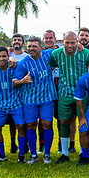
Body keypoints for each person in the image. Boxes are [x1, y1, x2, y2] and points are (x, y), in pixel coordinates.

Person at [49, 32, 89, 163]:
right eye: (67, 42)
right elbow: (50, 66)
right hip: (64, 92)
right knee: (64, 121)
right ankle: (64, 154)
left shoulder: (86, 54)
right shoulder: (56, 54)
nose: (70, 45)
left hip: (82, 93)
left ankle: (82, 152)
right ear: (62, 41)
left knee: (83, 122)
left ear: (77, 42)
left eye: (73, 42)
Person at [14, 36, 57, 164]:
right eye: (29, 47)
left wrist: (79, 46)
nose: (31, 49)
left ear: (41, 47)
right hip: (30, 99)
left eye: (34, 46)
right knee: (31, 125)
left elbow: (64, 50)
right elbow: (14, 82)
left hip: (47, 97)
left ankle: (47, 154)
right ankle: (33, 155)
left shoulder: (48, 55)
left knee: (47, 124)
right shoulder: (23, 63)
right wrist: (22, 81)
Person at [0, 46, 27, 162]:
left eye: (4, 56)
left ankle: (21, 154)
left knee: (20, 126)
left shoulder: (16, 66)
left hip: (16, 102)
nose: (1, 58)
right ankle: (2, 154)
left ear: (8, 56)